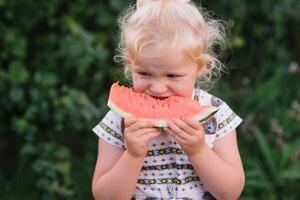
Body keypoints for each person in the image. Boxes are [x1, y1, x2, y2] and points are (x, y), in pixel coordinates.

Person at [91, 0, 245, 199]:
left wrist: (198, 151)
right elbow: (104, 196)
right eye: (144, 73)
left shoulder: (216, 112)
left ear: (201, 67)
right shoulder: (117, 119)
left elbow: (230, 192)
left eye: (172, 76)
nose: (157, 88)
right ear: (130, 65)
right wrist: (133, 155)